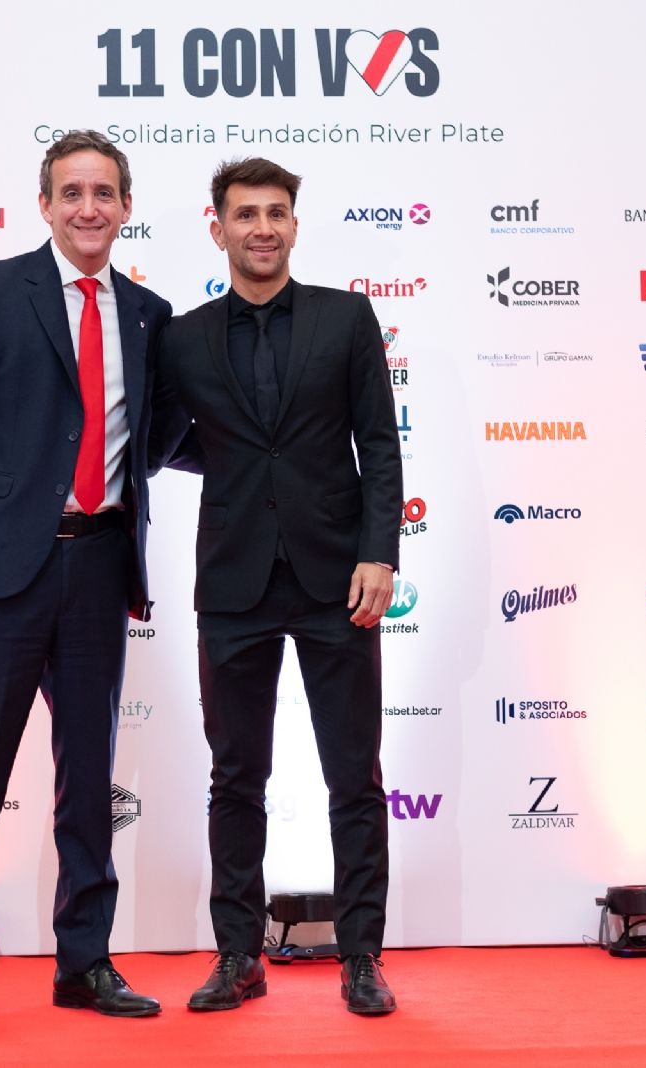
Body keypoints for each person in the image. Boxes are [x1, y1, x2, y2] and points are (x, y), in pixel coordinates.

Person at [0, 129, 171, 1032]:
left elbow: (159, 437)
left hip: (100, 566)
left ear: (126, 206)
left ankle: (84, 962)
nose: (88, 208)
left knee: (89, 781)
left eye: (104, 193)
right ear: (46, 205)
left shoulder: (149, 313)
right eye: (72, 193)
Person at [151, 157, 404, 1015]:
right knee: (235, 779)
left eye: (276, 213)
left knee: (354, 777)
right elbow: (158, 443)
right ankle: (238, 956)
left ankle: (362, 958)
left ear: (294, 225)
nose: (262, 227)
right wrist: (233, 467)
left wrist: (380, 553)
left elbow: (380, 443)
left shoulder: (346, 317)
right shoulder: (182, 337)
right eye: (245, 214)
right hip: (233, 580)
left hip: (338, 578)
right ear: (217, 228)